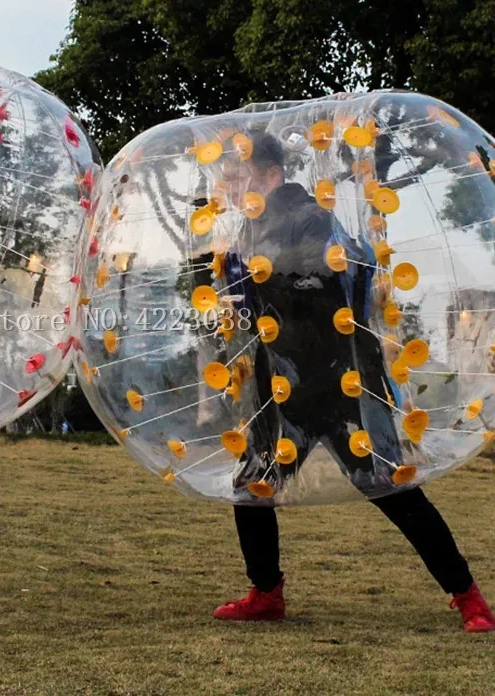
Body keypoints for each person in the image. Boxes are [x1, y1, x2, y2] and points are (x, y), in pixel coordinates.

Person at [208, 132, 495, 632]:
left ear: (271, 175)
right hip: (281, 381)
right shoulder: (250, 228)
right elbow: (257, 302)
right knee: (252, 487)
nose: (229, 185)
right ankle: (266, 593)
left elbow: (323, 281)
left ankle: (467, 596)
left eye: (238, 175)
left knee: (390, 487)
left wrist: (258, 279)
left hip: (340, 382)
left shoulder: (310, 218)